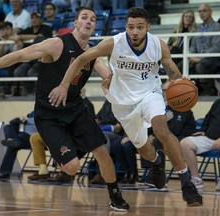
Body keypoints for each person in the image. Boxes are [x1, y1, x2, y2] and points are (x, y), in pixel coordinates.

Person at [0, 7, 129, 211]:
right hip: (49, 115)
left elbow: (106, 73)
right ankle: (64, 147)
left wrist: (109, 80)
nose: (89, 21)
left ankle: (115, 194)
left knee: (101, 151)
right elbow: (20, 55)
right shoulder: (57, 44)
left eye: (93, 19)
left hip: (75, 111)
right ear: (75, 22)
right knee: (72, 168)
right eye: (84, 18)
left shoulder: (93, 53)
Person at [51, 7, 203, 207]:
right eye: (131, 27)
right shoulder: (114, 43)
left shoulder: (159, 46)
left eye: (140, 27)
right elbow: (81, 59)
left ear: (148, 27)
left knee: (161, 128)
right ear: (126, 27)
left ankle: (187, 183)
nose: (135, 32)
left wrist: (183, 82)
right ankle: (157, 163)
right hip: (122, 104)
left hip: (150, 94)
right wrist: (64, 84)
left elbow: (173, 75)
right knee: (144, 150)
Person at [189, 3, 220, 96]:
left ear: (210, 12)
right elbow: (193, 46)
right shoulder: (197, 28)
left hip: (213, 56)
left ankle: (211, 89)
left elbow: (216, 47)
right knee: (182, 64)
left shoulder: (217, 26)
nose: (202, 13)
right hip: (198, 57)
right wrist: (192, 56)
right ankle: (189, 90)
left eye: (204, 11)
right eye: (200, 11)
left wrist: (200, 57)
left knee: (200, 66)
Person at [0, 111, 37, 179]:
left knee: (14, 144)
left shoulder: (47, 113)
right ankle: (11, 140)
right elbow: (12, 122)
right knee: (7, 127)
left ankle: (4, 172)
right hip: (21, 132)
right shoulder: (33, 112)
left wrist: (29, 120)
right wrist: (20, 119)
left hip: (32, 136)